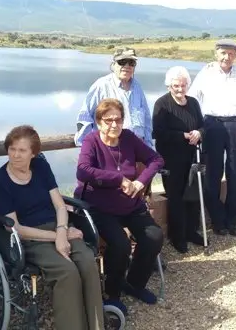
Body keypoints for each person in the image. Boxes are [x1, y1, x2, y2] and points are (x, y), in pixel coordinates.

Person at [0, 125, 104, 330]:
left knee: (87, 262)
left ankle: (96, 326)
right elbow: (17, 229)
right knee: (67, 271)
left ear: (34, 153)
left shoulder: (41, 168)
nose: (15, 155)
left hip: (59, 227)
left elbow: (59, 205)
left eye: (22, 150)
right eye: (12, 149)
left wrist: (62, 231)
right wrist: (57, 237)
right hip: (31, 238)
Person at [75, 98, 164, 313]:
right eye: (108, 120)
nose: (114, 125)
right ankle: (112, 293)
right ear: (98, 122)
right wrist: (119, 179)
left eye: (118, 119)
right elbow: (83, 171)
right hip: (100, 207)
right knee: (120, 244)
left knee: (154, 237)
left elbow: (156, 159)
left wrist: (140, 182)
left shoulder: (129, 138)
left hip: (130, 204)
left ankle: (134, 283)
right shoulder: (92, 141)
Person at [187, 39, 236, 236]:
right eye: (223, 53)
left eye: (231, 53)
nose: (227, 57)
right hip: (212, 125)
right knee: (212, 175)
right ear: (216, 54)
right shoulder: (206, 72)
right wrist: (198, 127)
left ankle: (233, 220)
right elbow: (192, 101)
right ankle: (218, 220)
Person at [152, 66, 205, 253]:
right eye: (176, 86)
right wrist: (182, 136)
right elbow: (158, 133)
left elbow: (203, 126)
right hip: (171, 159)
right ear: (169, 86)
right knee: (176, 198)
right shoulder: (162, 104)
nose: (180, 89)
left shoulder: (193, 103)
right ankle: (178, 236)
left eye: (183, 85)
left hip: (193, 157)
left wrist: (199, 132)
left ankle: (192, 231)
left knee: (193, 195)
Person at [75, 47, 153, 148]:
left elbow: (147, 122)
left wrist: (148, 149)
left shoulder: (138, 88)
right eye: (122, 62)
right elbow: (84, 118)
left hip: (136, 153)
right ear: (114, 64)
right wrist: (87, 149)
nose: (127, 66)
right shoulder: (101, 86)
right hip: (109, 151)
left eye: (131, 63)